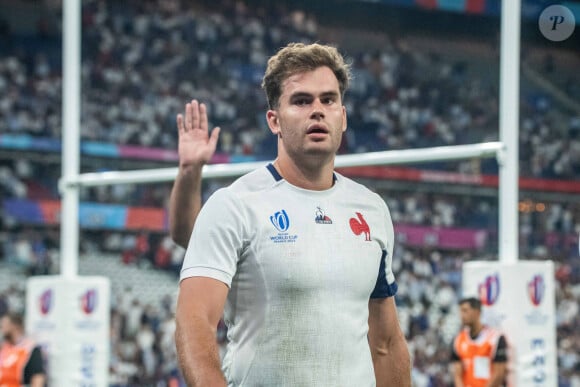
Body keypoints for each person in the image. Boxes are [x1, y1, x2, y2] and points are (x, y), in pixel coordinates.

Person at [173, 42, 411, 386]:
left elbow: (386, 345)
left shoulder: (371, 209)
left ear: (342, 117)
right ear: (274, 120)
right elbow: (194, 325)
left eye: (328, 100)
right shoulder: (235, 204)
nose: (318, 111)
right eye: (301, 101)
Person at [451, 297, 508, 387]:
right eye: (460, 311)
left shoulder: (495, 339)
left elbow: (499, 374)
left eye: (465, 311)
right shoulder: (458, 340)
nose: (462, 315)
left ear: (477, 312)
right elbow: (457, 374)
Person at [0, 312, 46, 387]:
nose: (2, 330)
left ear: (15, 326)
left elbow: (38, 377)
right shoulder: (4, 348)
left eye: (4, 326)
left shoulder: (30, 349)